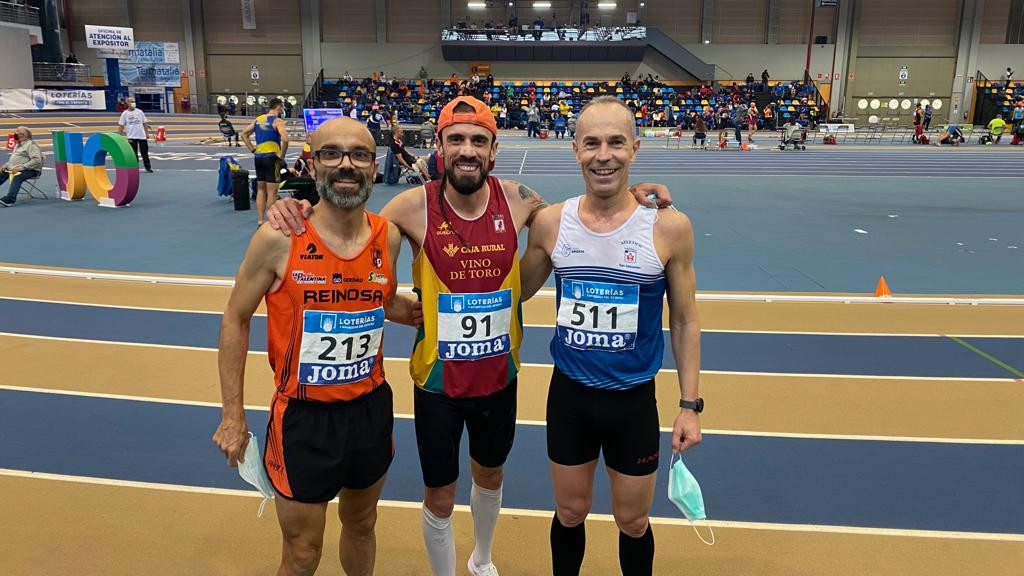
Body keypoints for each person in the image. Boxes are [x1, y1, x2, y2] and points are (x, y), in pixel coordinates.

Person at [265, 95, 673, 576]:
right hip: (438, 385)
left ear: (494, 149)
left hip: (499, 379)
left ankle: (482, 560)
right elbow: (348, 225)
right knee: (439, 493)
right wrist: (295, 206)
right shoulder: (409, 207)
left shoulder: (522, 202)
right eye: (456, 139)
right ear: (438, 146)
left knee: (491, 474)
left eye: (478, 140)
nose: (467, 149)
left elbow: (588, 207)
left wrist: (635, 192)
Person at [214, 117, 421, 576]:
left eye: (359, 155)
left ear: (373, 166)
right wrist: (233, 415)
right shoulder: (278, 238)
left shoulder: (387, 236)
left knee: (363, 524)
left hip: (370, 411)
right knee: (303, 551)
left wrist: (412, 310)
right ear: (312, 161)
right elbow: (235, 317)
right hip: (304, 421)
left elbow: (379, 298)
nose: (346, 164)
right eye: (332, 153)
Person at [518, 96, 702, 576]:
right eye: (592, 143)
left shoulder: (669, 227)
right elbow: (511, 292)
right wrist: (509, 216)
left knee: (634, 521)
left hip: (633, 402)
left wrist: (690, 405)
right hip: (570, 398)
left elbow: (684, 320)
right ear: (575, 150)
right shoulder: (551, 223)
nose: (604, 155)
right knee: (570, 513)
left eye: (616, 143)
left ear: (635, 149)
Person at [241, 97, 289, 227]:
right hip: (272, 159)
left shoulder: (259, 120)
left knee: (261, 190)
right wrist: (281, 156)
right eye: (283, 109)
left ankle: (260, 221)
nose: (283, 111)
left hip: (259, 158)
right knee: (273, 192)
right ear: (279, 108)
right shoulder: (278, 121)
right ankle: (270, 222)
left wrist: (252, 149)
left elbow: (244, 134)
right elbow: (285, 140)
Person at [0, 126, 43, 207]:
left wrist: (20, 168)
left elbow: (37, 160)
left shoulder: (31, 144)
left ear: (24, 134)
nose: (15, 133)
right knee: (2, 173)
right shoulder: (18, 145)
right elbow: (13, 160)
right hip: (16, 168)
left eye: (18, 131)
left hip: (32, 170)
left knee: (17, 176)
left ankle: (9, 200)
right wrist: (5, 166)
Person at [117, 97, 153, 173]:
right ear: (127, 103)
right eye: (132, 101)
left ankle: (148, 167)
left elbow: (144, 123)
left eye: (134, 101)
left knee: (144, 152)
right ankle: (134, 168)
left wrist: (147, 133)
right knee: (133, 154)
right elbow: (121, 126)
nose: (133, 103)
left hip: (141, 136)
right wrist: (119, 136)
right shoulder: (125, 114)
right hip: (131, 136)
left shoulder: (140, 112)